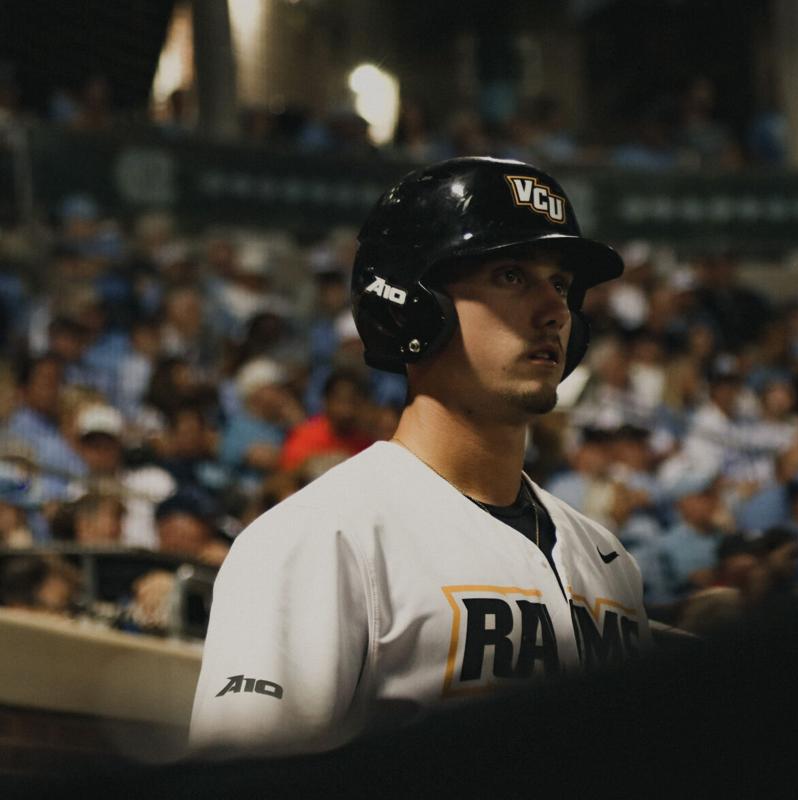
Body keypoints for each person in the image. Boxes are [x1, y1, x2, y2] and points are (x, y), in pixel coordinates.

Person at [190, 157, 650, 756]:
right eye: (512, 276)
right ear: (413, 306)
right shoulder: (321, 539)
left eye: (560, 284)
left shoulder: (609, 562)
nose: (555, 310)